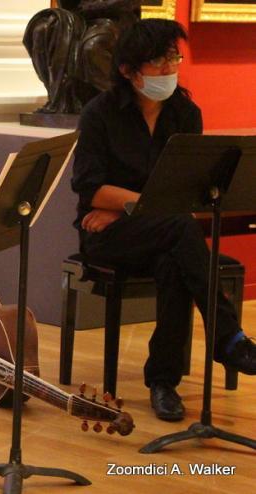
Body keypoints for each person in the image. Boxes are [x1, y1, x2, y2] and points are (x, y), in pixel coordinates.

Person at [71, 18, 256, 422]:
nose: (170, 68)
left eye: (174, 57)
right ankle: (228, 337)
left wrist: (129, 203)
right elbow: (89, 189)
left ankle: (163, 382)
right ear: (128, 70)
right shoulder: (99, 114)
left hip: (163, 230)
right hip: (107, 235)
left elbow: (189, 192)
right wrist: (138, 205)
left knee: (176, 256)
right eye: (158, 61)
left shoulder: (185, 113)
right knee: (179, 227)